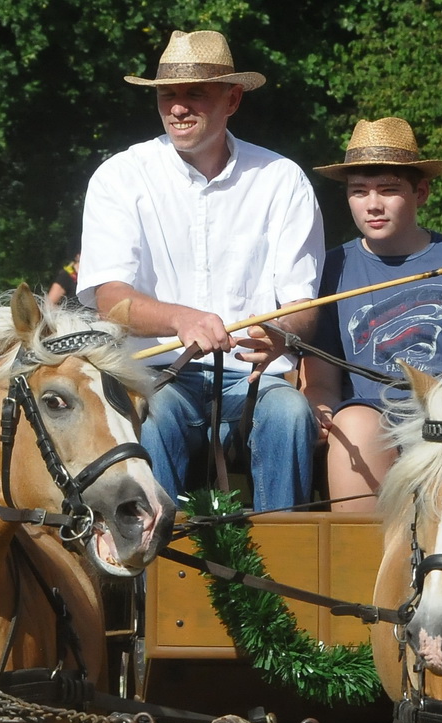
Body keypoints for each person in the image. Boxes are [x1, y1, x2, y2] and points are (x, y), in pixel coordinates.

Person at [79, 28, 323, 511]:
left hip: (256, 380)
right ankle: (158, 575)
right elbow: (110, 301)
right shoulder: (120, 176)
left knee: (291, 413)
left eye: (196, 94)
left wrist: (280, 331)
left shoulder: (282, 179)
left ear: (232, 99)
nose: (178, 107)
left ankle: (281, 573)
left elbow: (303, 306)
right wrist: (181, 318)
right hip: (158, 374)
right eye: (168, 95)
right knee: (152, 417)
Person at [301, 118, 442, 509]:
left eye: (389, 190)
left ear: (420, 192)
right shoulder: (331, 270)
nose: (373, 204)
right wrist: (320, 407)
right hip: (370, 424)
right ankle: (359, 560)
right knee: (355, 426)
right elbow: (320, 379)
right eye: (359, 192)